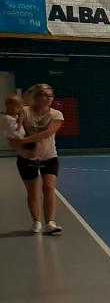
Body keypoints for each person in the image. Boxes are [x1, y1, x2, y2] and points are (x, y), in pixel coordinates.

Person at [7, 83, 64, 235]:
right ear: (37, 97)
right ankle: (36, 222)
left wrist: (23, 142)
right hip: (26, 158)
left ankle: (50, 223)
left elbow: (48, 133)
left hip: (49, 156)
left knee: (49, 188)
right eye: (45, 95)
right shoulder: (25, 112)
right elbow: (15, 128)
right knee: (32, 191)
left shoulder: (56, 114)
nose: (49, 98)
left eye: (51, 96)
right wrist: (16, 141)